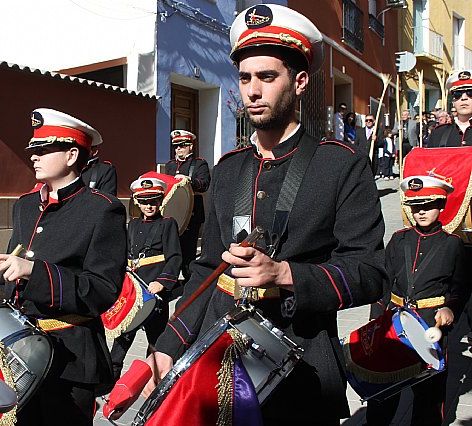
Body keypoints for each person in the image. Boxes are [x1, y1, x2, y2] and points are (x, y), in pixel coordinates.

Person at [144, 4, 386, 425]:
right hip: (219, 369)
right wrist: (168, 342)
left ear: (300, 81)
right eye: (244, 78)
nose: (252, 90)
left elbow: (370, 271)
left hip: (304, 372)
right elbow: (206, 268)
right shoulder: (227, 169)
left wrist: (286, 274)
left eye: (267, 77)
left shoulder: (341, 165)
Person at [0, 108, 127, 425]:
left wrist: (34, 273)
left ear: (72, 154)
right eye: (33, 149)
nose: (34, 156)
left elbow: (102, 291)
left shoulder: (102, 210)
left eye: (44, 149)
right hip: (19, 351)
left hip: (71, 357)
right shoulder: (24, 206)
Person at [366, 175, 467, 426]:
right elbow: (383, 285)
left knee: (428, 399)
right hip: (394, 325)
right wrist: (374, 323)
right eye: (415, 207)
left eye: (428, 205)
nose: (421, 212)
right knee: (383, 394)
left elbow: (461, 288)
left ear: (441, 205)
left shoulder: (454, 245)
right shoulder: (398, 239)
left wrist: (450, 308)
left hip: (429, 326)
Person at [110, 177, 182, 379]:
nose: (149, 206)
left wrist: (162, 282)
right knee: (122, 336)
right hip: (134, 290)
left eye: (153, 201)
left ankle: (154, 379)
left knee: (155, 342)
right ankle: (110, 380)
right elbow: (125, 253)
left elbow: (175, 257)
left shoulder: (168, 224)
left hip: (154, 291)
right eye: (144, 201)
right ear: (137, 203)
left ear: (160, 201)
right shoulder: (132, 224)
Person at [164, 130, 210, 284]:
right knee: (171, 250)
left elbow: (204, 185)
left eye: (182, 145)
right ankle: (171, 280)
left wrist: (189, 180)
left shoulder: (199, 163)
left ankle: (190, 283)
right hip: (172, 214)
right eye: (176, 146)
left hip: (191, 214)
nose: (179, 149)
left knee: (188, 252)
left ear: (190, 146)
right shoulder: (170, 165)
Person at [427, 70, 472, 147]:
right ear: (453, 101)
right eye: (458, 94)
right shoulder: (438, 133)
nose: (463, 98)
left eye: (470, 93)